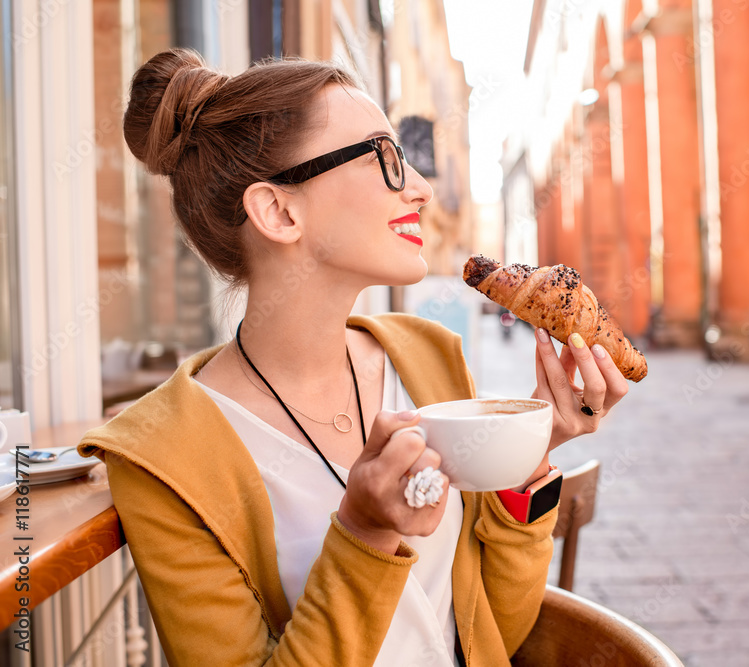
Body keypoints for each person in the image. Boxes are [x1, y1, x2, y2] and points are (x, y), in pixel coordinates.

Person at [79, 48, 629, 666]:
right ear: (279, 211)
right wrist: (364, 534)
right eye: (386, 159)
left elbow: (496, 630)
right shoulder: (162, 458)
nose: (421, 189)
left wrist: (528, 455)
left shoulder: (427, 357)